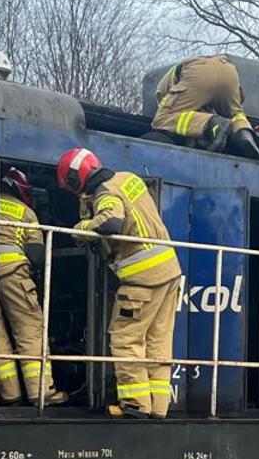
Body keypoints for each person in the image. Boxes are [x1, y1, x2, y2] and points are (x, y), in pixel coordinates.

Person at [55, 147, 180, 418]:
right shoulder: (129, 178)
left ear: (78, 178)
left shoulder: (105, 193)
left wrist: (80, 229)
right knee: (157, 342)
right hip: (169, 271)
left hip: (142, 278)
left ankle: (135, 405)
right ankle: (159, 408)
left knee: (126, 339)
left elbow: (111, 222)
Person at [0, 167, 66, 407]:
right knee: (29, 329)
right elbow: (37, 256)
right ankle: (41, 392)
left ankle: (10, 393)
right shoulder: (25, 211)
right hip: (14, 275)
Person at [151, 55, 259, 160]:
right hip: (228, 70)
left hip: (198, 73)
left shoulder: (162, 92)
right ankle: (243, 132)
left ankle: (212, 123)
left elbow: (173, 119)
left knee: (162, 119)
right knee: (236, 113)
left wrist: (209, 122)